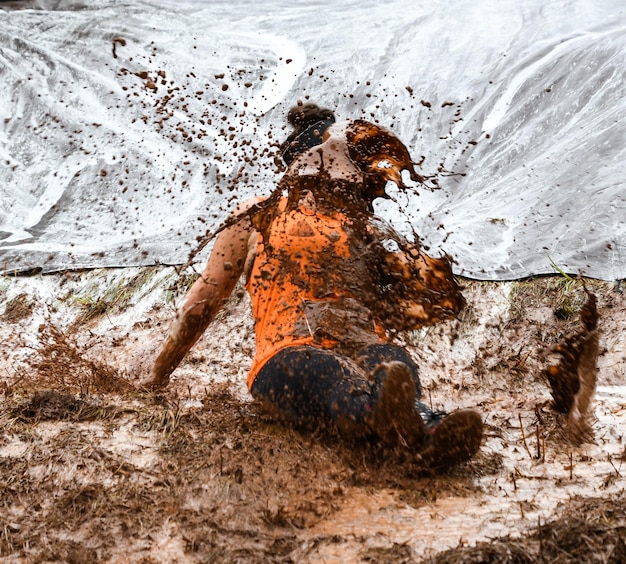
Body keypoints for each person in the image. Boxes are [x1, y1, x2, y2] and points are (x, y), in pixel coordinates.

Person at [144, 103, 483, 470]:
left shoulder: (361, 225)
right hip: (289, 357)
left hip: (358, 348)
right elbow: (205, 301)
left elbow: (201, 303)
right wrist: (158, 377)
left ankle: (419, 426)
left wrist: (158, 374)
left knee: (391, 361)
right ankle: (397, 421)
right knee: (335, 371)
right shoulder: (258, 214)